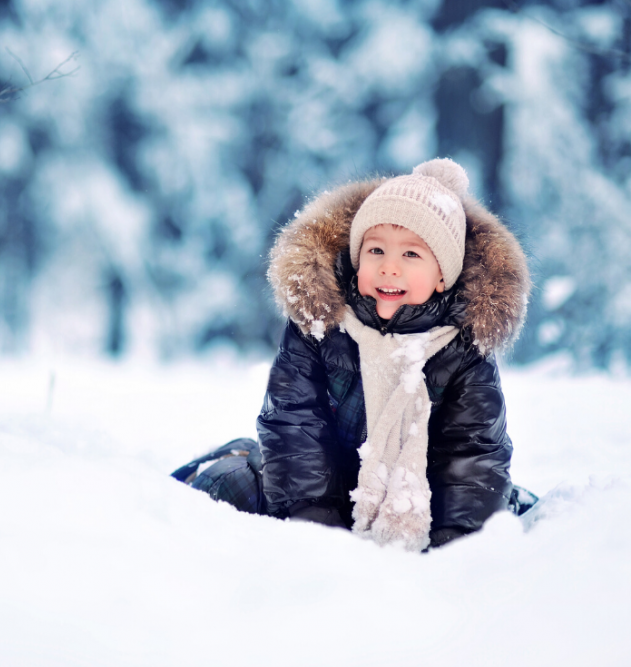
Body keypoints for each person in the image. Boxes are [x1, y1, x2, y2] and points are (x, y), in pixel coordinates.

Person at [172, 158, 536, 551]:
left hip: (417, 495)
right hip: (321, 485)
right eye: (376, 250)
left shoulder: (462, 350)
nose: (389, 268)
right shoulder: (323, 325)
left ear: (443, 275)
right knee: (231, 485)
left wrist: (454, 546)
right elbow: (294, 422)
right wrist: (317, 525)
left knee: (489, 510)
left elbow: (472, 453)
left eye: (411, 255)